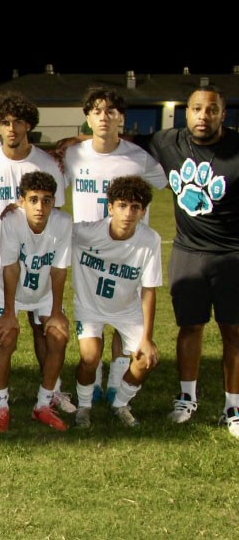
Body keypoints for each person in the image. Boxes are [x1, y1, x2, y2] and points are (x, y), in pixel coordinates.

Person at [133, 86, 239, 435]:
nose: (203, 117)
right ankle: (186, 397)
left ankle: (233, 407)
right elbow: (122, 140)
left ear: (223, 114)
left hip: (232, 255)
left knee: (233, 332)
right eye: (196, 109)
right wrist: (72, 143)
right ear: (186, 112)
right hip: (188, 251)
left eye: (211, 110)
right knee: (190, 327)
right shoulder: (168, 142)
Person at [63, 86, 167, 403]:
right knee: (93, 325)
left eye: (111, 111)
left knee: (125, 317)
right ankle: (91, 383)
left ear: (121, 116)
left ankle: (115, 387)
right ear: (87, 117)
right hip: (89, 250)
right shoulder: (71, 155)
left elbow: (165, 184)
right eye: (97, 110)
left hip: (128, 251)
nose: (104, 116)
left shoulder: (140, 158)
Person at [0, 92, 69, 412]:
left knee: (44, 327)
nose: (11, 129)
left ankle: (52, 391)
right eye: (5, 123)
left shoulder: (46, 164)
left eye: (19, 122)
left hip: (37, 260)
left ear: (29, 125)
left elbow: (56, 216)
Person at [72, 176, 161, 427]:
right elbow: (51, 225)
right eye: (122, 205)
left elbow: (149, 290)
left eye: (135, 207)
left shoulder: (149, 239)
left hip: (126, 309)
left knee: (146, 358)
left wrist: (147, 337)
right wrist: (19, 209)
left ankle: (120, 403)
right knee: (90, 358)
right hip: (90, 307)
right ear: (110, 207)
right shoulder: (86, 232)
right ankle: (84, 406)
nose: (128, 213)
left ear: (143, 212)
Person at [0, 172, 72, 432]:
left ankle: (43, 404)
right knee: (7, 336)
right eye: (33, 200)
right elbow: (11, 268)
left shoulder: (63, 222)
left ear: (54, 202)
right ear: (21, 201)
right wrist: (10, 313)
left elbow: (59, 269)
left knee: (58, 335)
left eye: (46, 200)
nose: (40, 207)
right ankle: (1, 407)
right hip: (8, 287)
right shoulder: (12, 221)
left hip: (43, 288)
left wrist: (57, 311)